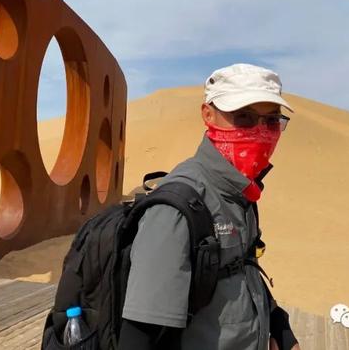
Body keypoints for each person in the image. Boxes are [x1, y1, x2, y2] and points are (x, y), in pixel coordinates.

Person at [118, 63, 301, 350]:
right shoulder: (177, 208)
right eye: (244, 117)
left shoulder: (241, 191)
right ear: (208, 114)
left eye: (272, 121)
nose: (261, 133)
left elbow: (242, 266)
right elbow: (140, 336)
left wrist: (279, 323)